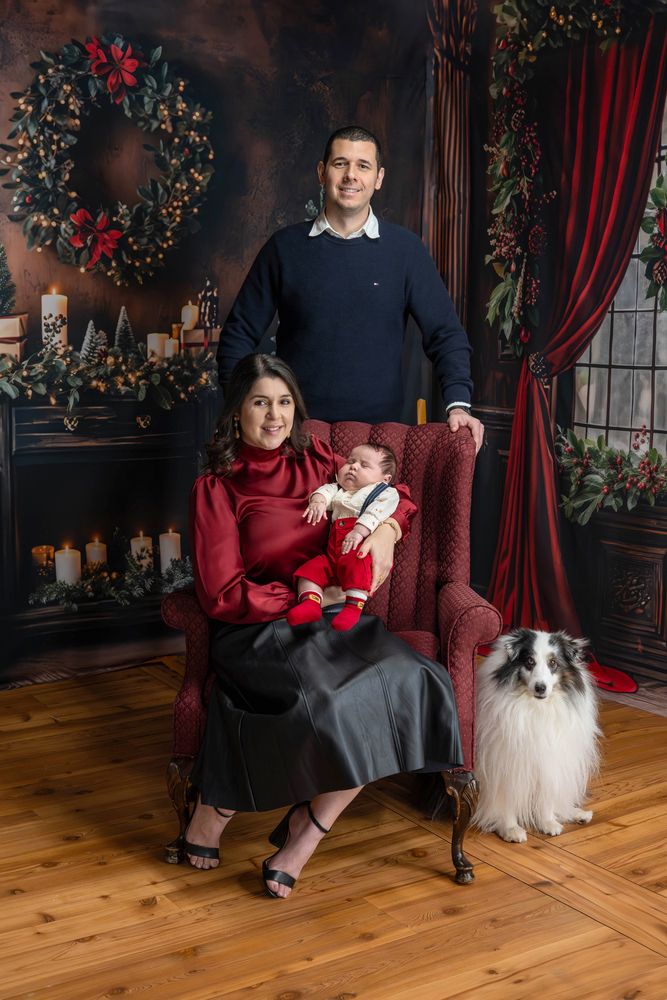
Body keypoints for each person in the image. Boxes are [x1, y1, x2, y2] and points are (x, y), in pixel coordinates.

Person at [185, 353, 463, 898]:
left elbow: (394, 495)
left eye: (284, 402)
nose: (275, 417)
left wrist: (385, 533)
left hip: (330, 616)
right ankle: (216, 807)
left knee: (417, 679)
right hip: (256, 625)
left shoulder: (315, 458)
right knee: (332, 702)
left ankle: (306, 830)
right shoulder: (217, 486)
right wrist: (302, 595)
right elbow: (221, 592)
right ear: (237, 411)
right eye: (260, 403)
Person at [217, 125, 484, 452]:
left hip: (376, 445)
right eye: (340, 163)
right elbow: (238, 332)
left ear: (379, 178)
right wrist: (241, 406)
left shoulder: (405, 251)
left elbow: (446, 333)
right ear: (322, 172)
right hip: (294, 435)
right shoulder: (284, 248)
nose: (351, 176)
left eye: (363, 166)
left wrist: (458, 403)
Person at [286, 442, 400, 631]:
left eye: (364, 465)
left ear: (385, 478)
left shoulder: (384, 492)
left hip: (357, 546)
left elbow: (377, 511)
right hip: (332, 553)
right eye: (350, 461)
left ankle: (352, 608)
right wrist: (318, 502)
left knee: (358, 565)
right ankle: (310, 604)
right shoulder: (339, 489)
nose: (353, 466)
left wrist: (359, 531)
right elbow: (324, 491)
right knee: (310, 570)